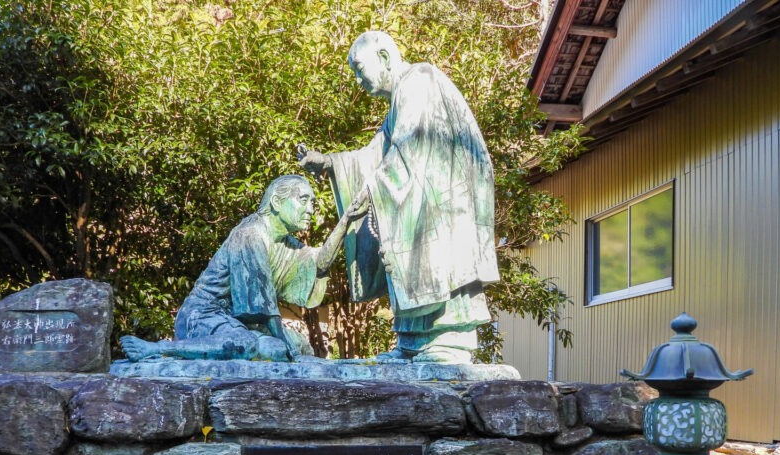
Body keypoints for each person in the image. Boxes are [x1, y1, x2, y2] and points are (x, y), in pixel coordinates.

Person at [298, 31, 499, 364]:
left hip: (444, 209)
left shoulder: (420, 81)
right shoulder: (399, 102)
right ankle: (414, 344)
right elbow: (375, 156)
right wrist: (331, 163)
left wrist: (372, 188)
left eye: (360, 68)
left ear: (385, 57)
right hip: (430, 207)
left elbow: (410, 149)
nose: (358, 79)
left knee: (433, 265)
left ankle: (447, 343)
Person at [120, 175, 358, 362]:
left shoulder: (284, 241)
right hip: (203, 316)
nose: (310, 210)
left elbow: (318, 263)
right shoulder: (251, 235)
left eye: (313, 203)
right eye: (304, 200)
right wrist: (283, 341)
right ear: (276, 202)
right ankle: (160, 349)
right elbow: (262, 304)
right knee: (251, 343)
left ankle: (257, 343)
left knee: (295, 345)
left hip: (238, 323)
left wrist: (345, 222)